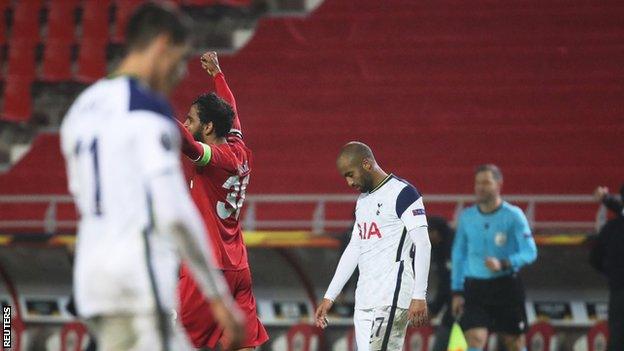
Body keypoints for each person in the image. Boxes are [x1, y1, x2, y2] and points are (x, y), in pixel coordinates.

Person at [60, 3, 243, 350]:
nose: (180, 73)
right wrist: (218, 297)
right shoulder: (147, 108)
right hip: (137, 279)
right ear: (162, 45)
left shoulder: (81, 107)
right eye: (179, 59)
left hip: (94, 279)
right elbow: (173, 210)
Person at [175, 52, 269, 350]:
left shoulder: (214, 159)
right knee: (244, 344)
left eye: (190, 120)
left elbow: (188, 145)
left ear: (209, 128)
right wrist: (218, 75)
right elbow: (233, 110)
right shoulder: (238, 146)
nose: (186, 124)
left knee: (173, 338)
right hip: (238, 267)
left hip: (208, 268)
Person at [314, 141, 431, 351]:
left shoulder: (403, 193)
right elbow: (355, 248)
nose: (349, 182)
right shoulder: (363, 201)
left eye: (351, 174)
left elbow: (423, 243)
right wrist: (330, 295)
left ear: (367, 164)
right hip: (365, 298)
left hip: (391, 298)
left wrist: (419, 295)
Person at [451, 164, 537, 351]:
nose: (480, 187)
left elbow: (530, 251)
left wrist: (505, 263)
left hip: (506, 286)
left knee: (514, 342)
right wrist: (457, 291)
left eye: (486, 182)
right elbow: (458, 254)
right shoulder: (467, 217)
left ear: (498, 185)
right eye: (477, 183)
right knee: (475, 338)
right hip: (475, 288)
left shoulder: (514, 215)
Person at [590, 207, 624, 351]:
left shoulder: (611, 227)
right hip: (618, 290)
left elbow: (594, 258)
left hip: (618, 291)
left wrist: (610, 273)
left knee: (617, 338)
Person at [426, 216, 455, 351]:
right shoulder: (438, 249)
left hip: (466, 302)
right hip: (453, 304)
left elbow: (448, 283)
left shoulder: (454, 248)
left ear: (435, 233)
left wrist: (435, 308)